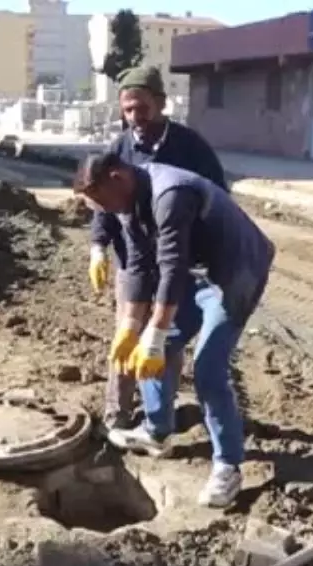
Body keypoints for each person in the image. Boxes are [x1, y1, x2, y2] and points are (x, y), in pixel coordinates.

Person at [73, 152, 275, 508]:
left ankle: (228, 466)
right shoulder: (126, 201)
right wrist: (132, 328)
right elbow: (137, 264)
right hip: (196, 271)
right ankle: (157, 431)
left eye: (104, 201)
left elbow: (171, 267)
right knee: (157, 348)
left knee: (208, 369)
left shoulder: (171, 194)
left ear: (118, 177)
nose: (106, 210)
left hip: (235, 272)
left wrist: (154, 331)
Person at [88, 64, 228, 434]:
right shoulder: (119, 147)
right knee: (126, 335)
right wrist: (98, 246)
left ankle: (158, 418)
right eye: (128, 109)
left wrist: (201, 243)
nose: (135, 117)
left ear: (161, 103)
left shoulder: (190, 147)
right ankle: (117, 414)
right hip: (133, 260)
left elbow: (218, 198)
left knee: (163, 338)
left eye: (142, 107)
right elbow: (102, 200)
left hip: (177, 256)